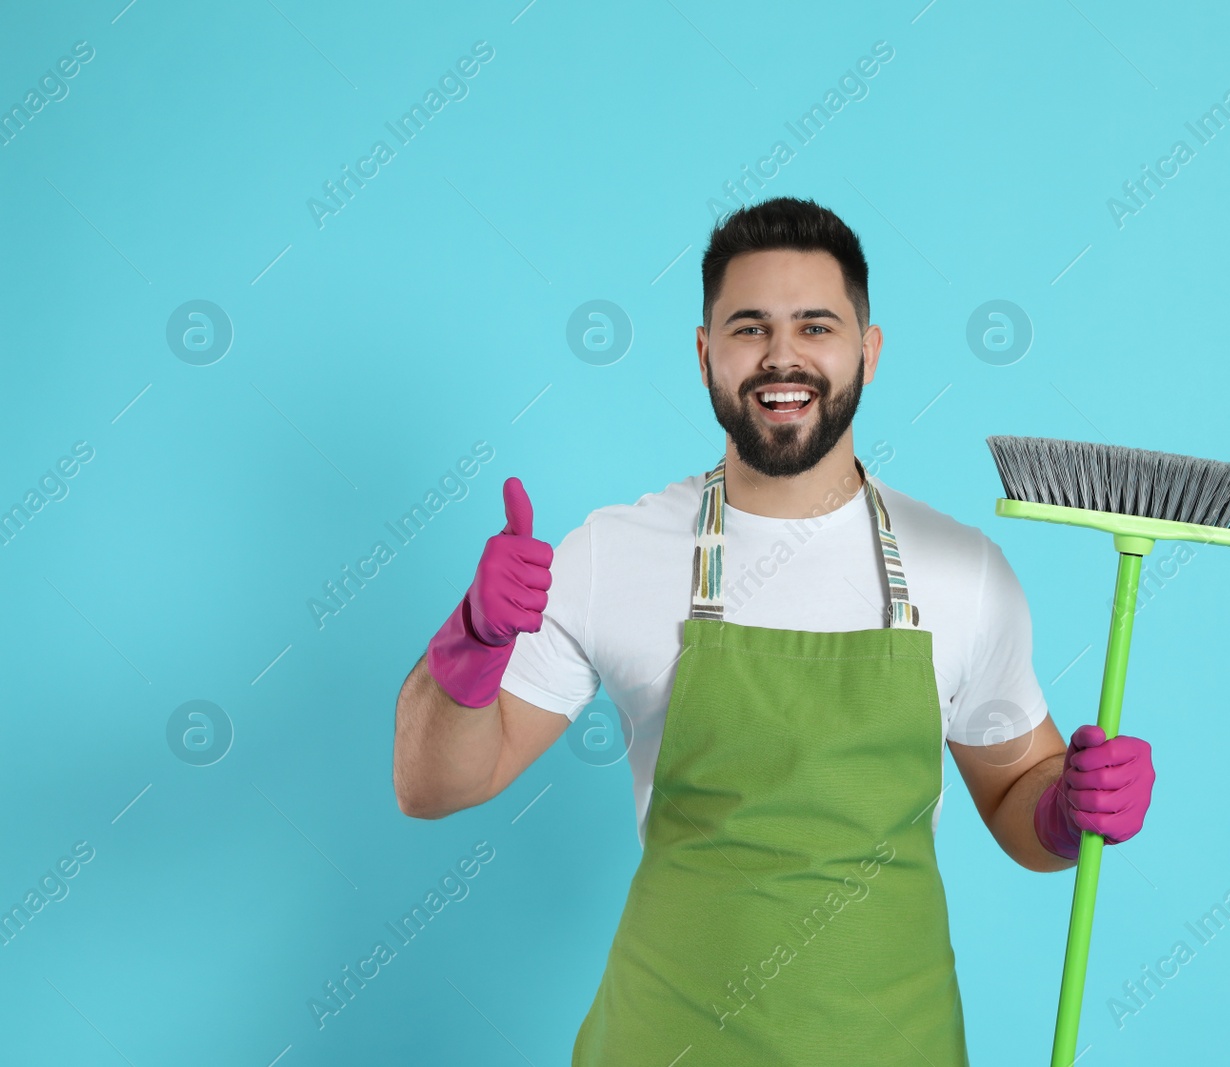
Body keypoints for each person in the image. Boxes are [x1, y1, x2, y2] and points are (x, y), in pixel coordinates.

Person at [392, 196, 1155, 1065]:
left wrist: (1067, 810)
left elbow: (1016, 789)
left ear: (867, 352)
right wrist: (472, 643)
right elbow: (432, 785)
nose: (782, 355)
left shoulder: (960, 568)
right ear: (704, 352)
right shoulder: (613, 552)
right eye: (749, 327)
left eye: (816, 326)